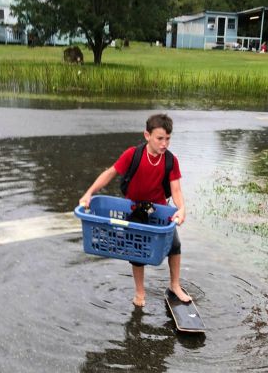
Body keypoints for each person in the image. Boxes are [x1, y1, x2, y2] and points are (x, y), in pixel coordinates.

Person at [79, 113, 191, 307]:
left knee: (175, 245)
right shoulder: (133, 154)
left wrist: (181, 209)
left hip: (159, 210)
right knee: (137, 252)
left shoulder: (170, 161)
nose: (164, 144)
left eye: (168, 139)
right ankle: (140, 293)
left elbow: (176, 189)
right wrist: (88, 193)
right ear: (147, 136)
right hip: (134, 209)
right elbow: (110, 173)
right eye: (160, 138)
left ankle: (175, 285)